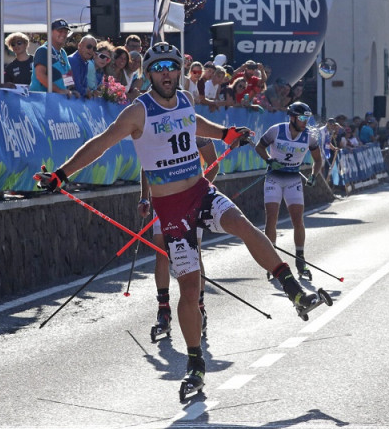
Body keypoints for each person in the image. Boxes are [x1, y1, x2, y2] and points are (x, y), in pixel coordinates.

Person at [35, 42, 320, 395]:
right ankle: (196, 363)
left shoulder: (184, 98)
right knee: (189, 286)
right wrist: (61, 175)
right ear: (150, 73)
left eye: (172, 67)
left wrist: (225, 134)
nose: (167, 74)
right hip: (171, 211)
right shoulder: (138, 112)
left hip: (201, 192)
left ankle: (293, 291)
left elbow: (195, 123)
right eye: (160, 68)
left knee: (243, 225)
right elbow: (101, 144)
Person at [138, 136, 219, 340]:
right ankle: (163, 310)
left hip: (190, 200)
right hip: (164, 199)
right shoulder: (156, 131)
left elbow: (214, 164)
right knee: (161, 253)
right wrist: (144, 197)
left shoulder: (197, 133)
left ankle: (200, 307)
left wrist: (200, 192)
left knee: (194, 251)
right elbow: (147, 165)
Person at [254, 102, 323, 281]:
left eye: (307, 118)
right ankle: (272, 261)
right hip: (274, 177)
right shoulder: (276, 130)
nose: (304, 122)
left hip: (293, 179)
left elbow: (318, 160)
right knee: (272, 218)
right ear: (292, 117)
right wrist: (269, 160)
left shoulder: (309, 137)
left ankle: (300, 260)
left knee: (298, 219)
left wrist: (314, 176)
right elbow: (259, 147)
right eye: (301, 118)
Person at [29, 19, 78, 97]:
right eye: (60, 31)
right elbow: (40, 75)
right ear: (50, 32)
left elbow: (67, 74)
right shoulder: (44, 50)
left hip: (56, 100)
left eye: (65, 32)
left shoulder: (62, 53)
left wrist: (71, 90)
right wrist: (59, 91)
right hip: (41, 100)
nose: (63, 34)